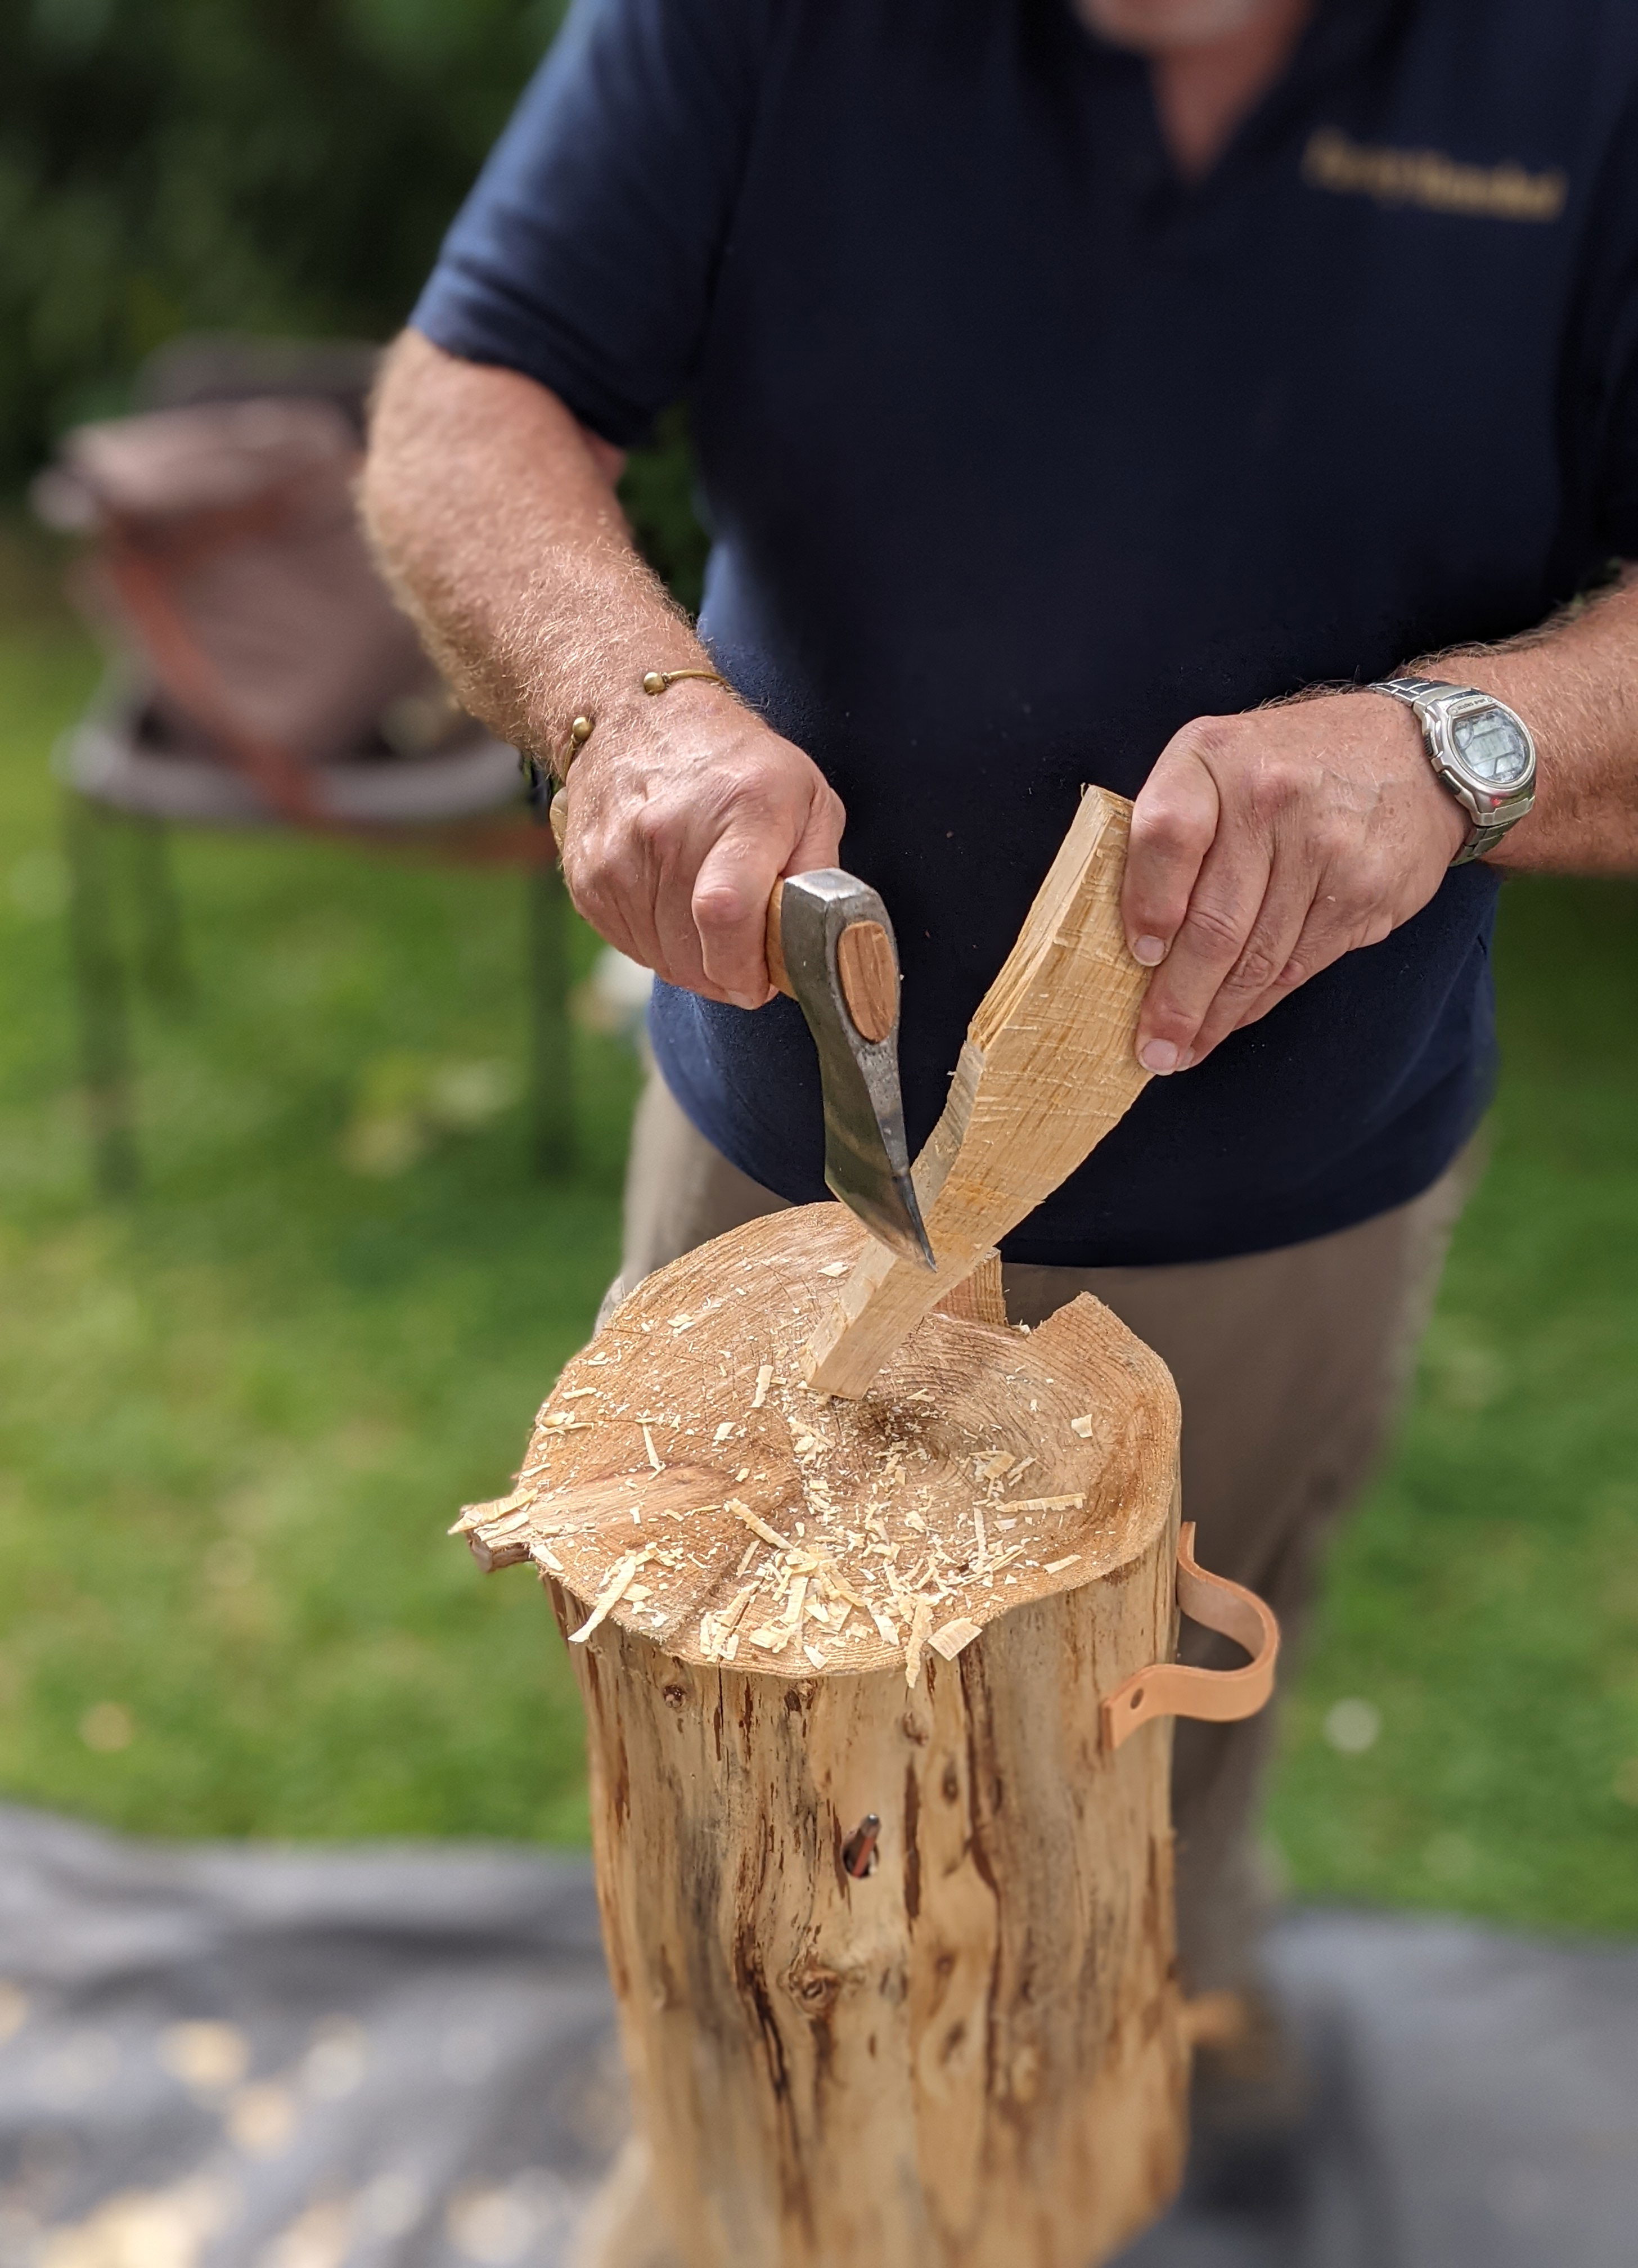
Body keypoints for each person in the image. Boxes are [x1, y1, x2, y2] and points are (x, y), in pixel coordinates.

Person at [363, 0, 1638, 2203]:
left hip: (1289, 1213)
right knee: (749, 1891)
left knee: (1115, 1879)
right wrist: (629, 703)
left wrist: (1464, 749)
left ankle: (1098, 2150)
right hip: (785, 1179)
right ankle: (749, 2188)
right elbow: (463, 399)